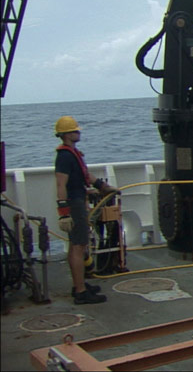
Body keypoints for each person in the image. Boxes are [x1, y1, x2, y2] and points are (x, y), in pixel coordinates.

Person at [54, 116, 117, 304]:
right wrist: (64, 212)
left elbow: (84, 175)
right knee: (78, 246)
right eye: (74, 131)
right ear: (65, 134)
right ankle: (81, 292)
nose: (78, 133)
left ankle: (79, 284)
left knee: (79, 244)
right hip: (74, 204)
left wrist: (101, 186)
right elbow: (60, 184)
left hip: (79, 200)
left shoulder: (73, 153)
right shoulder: (64, 156)